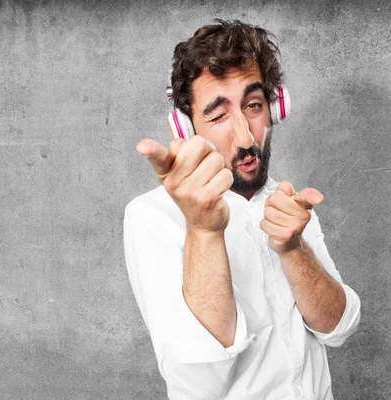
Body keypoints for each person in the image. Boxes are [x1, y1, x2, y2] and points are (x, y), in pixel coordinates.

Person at [123, 20, 361, 400]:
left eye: (253, 106)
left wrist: (294, 250)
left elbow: (339, 329)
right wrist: (203, 231)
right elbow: (196, 384)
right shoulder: (152, 216)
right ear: (186, 128)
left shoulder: (289, 204)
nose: (246, 137)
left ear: (275, 108)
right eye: (217, 116)